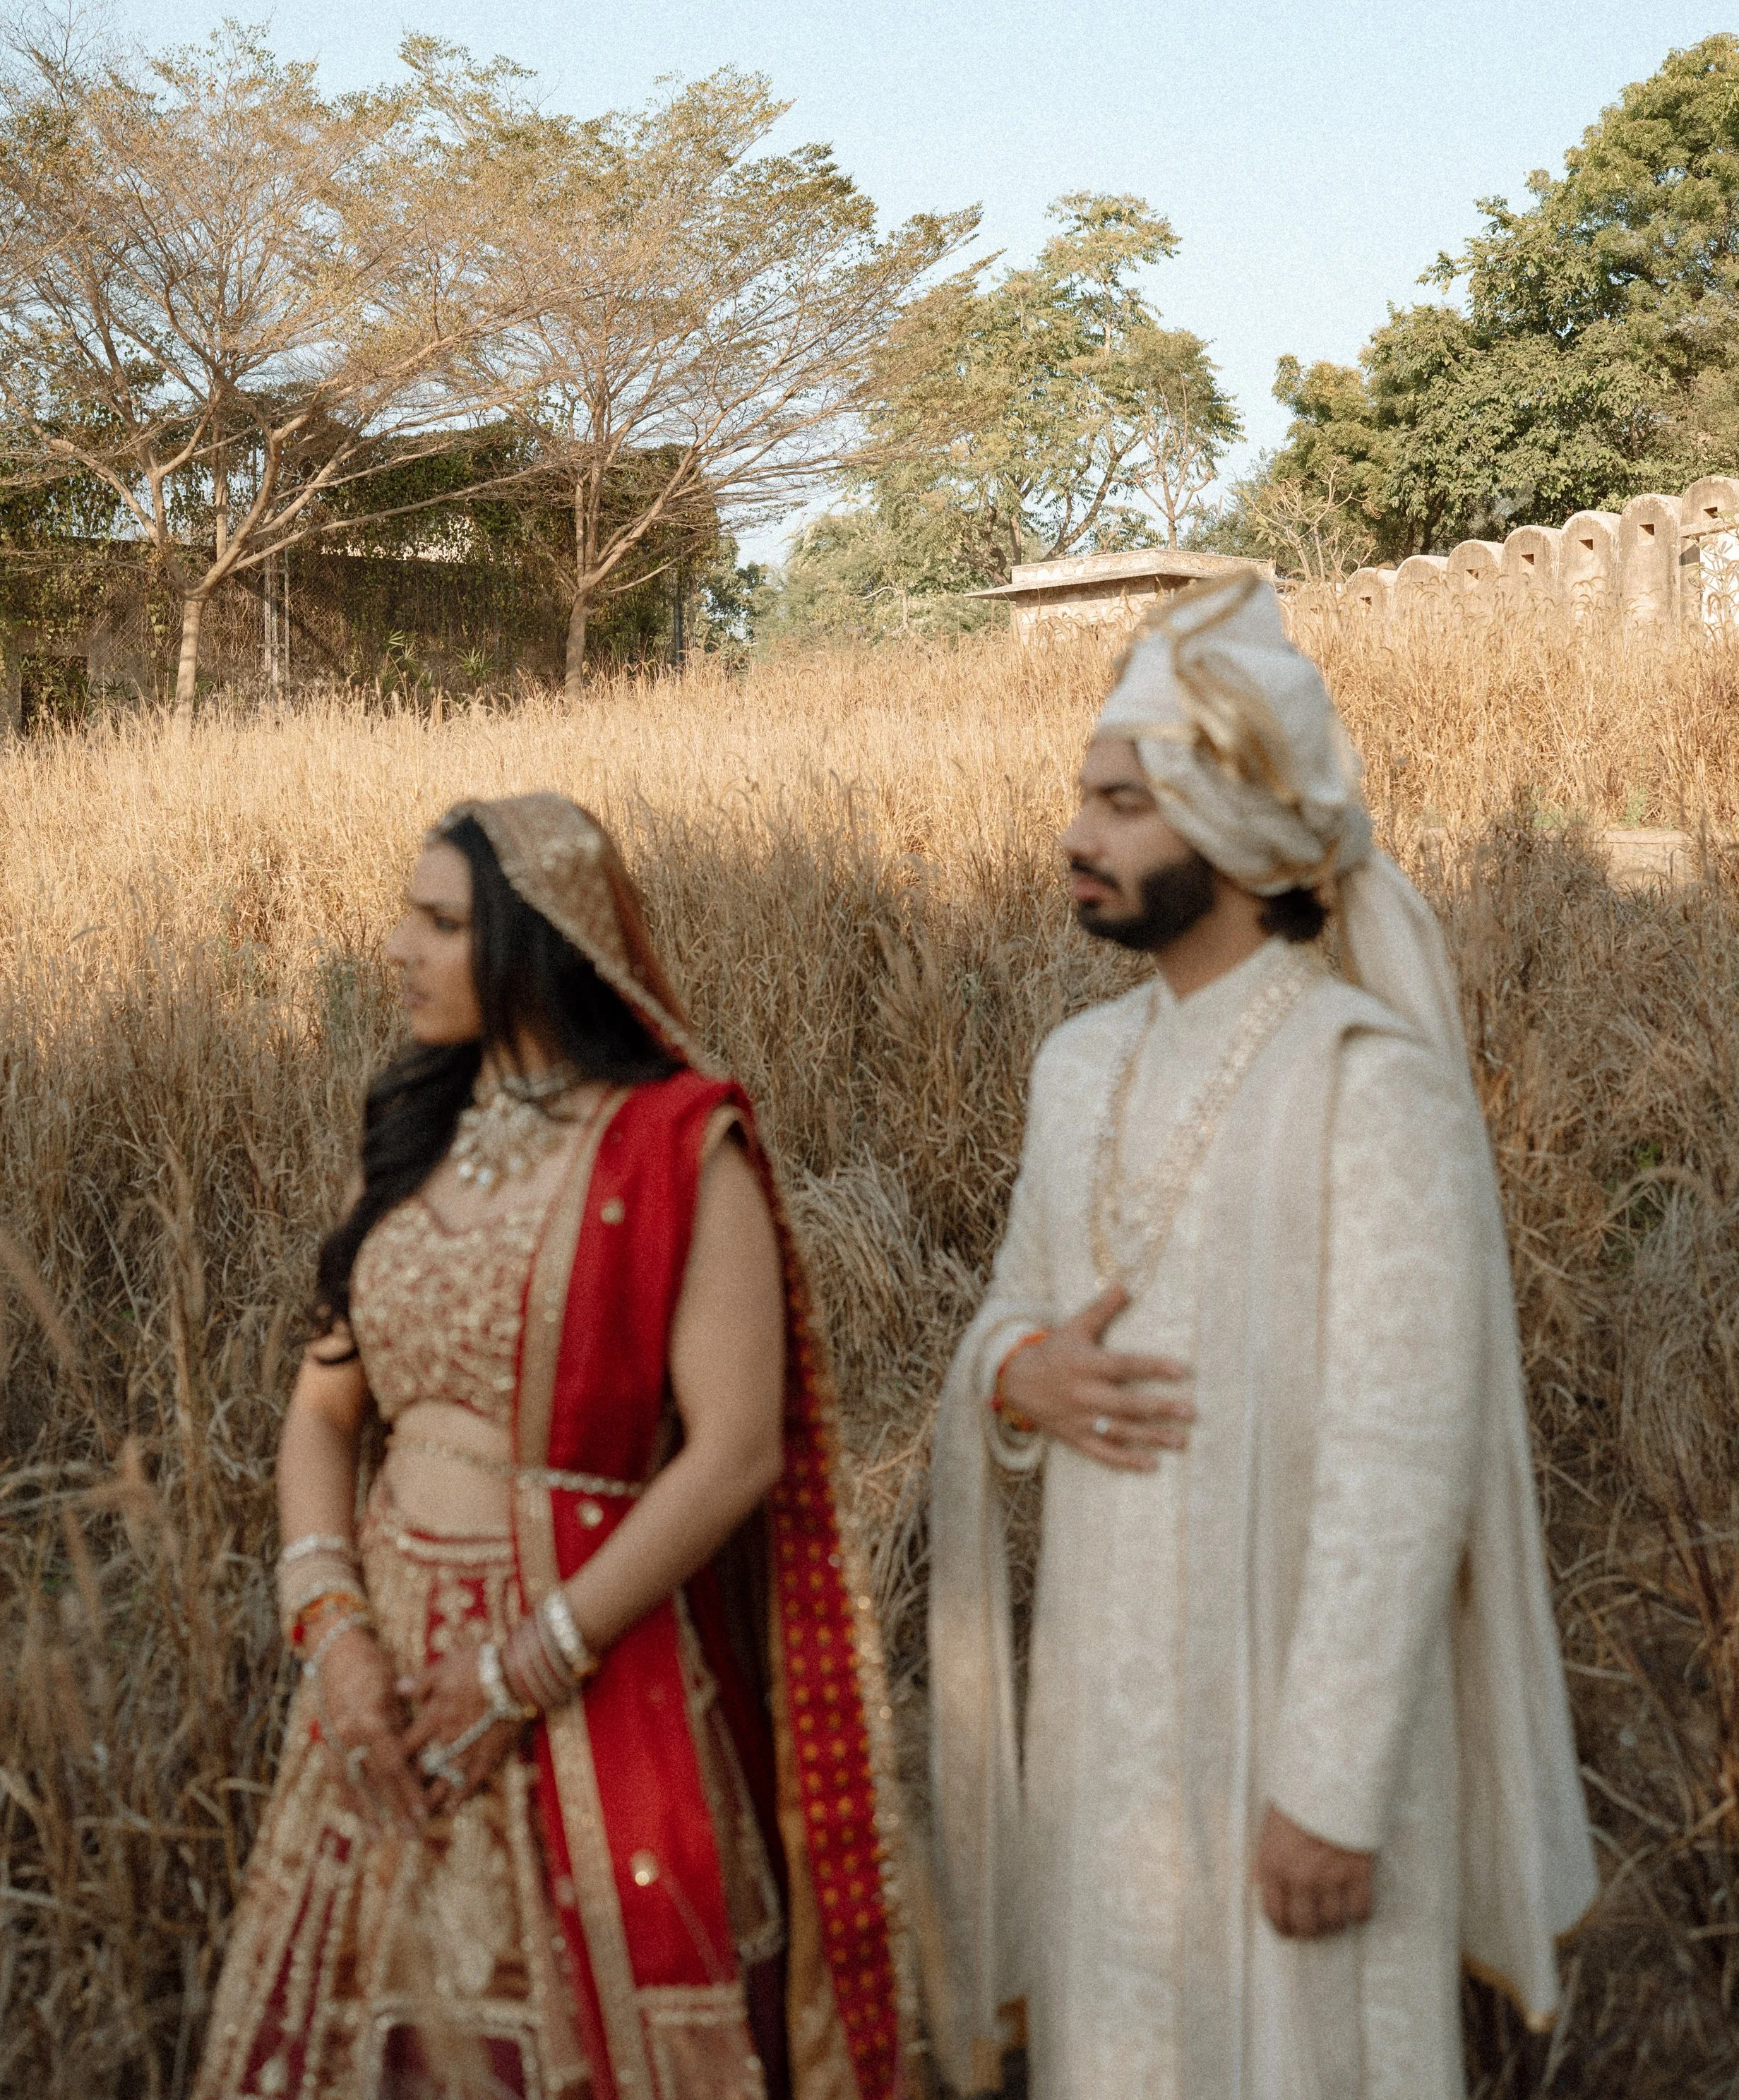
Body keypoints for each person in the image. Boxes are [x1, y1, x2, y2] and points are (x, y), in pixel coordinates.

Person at [927, 573, 1595, 2100]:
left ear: (1237, 831)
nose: (1075, 836)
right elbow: (1006, 1325)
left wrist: (1330, 1793)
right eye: (1080, 795)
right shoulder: (1075, 1069)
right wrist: (1014, 1377)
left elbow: (1398, 1462)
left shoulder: (1368, 1085)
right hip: (1107, 1732)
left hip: (1293, 1753)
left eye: (1121, 802)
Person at [196, 792, 912, 2100]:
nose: (398, 949)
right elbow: (322, 1412)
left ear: (536, 943)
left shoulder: (682, 1144)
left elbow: (738, 1448)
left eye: (438, 922)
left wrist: (524, 1667)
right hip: (388, 1691)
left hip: (596, 1664)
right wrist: (338, 1638)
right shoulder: (411, 1140)